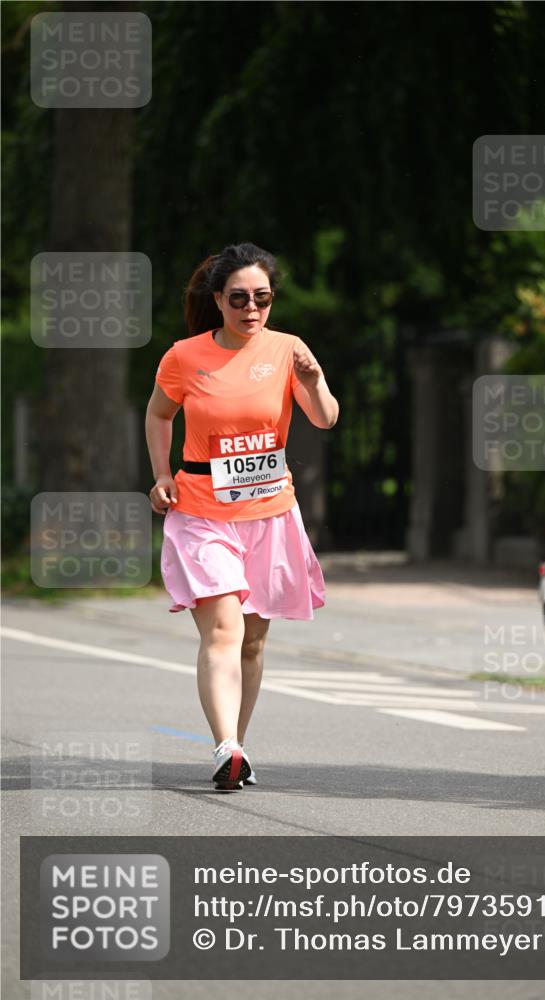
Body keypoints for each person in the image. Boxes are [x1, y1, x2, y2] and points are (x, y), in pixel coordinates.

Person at [145, 243, 339, 791]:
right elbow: (160, 413)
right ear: (218, 300)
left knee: (253, 642)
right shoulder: (184, 357)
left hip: (271, 514)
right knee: (224, 630)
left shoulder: (287, 350)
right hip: (202, 512)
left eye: (263, 298)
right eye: (239, 299)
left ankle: (237, 749)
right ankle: (225, 745)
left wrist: (316, 377)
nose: (252, 309)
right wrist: (161, 474)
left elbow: (324, 419)